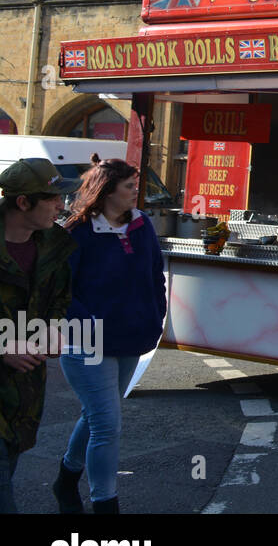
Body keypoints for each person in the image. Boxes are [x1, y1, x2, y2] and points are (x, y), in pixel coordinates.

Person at [53, 157, 166, 514]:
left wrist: (155, 314)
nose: (136, 191)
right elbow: (62, 291)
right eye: (130, 186)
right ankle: (105, 504)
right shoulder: (77, 231)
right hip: (86, 342)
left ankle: (66, 478)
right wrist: (91, 327)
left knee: (98, 414)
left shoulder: (142, 224)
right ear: (107, 191)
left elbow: (154, 275)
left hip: (131, 337)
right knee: (107, 424)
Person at [0, 159, 79, 514]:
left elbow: (59, 298)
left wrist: (52, 327)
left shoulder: (53, 246)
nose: (61, 206)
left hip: (22, 394)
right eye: (52, 199)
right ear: (22, 202)